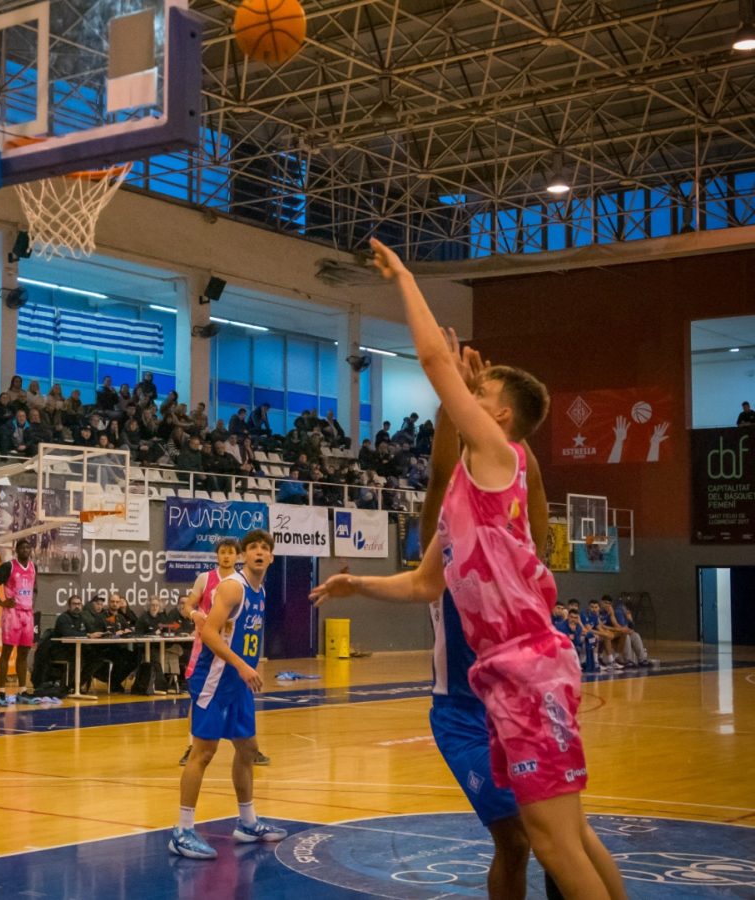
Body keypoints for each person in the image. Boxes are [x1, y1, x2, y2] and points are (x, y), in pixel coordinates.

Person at [311, 238, 624, 899]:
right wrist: (356, 582)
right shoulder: (464, 501)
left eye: (476, 391)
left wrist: (401, 276)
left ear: (499, 417)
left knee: (558, 844)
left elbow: (431, 360)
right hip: (512, 674)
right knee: (567, 837)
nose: (463, 391)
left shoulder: (503, 457)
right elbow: (426, 582)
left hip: (527, 668)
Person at [170, 529, 284, 860]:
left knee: (247, 749)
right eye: (253, 548)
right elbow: (207, 633)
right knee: (203, 752)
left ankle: (247, 822)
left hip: (238, 683)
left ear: (271, 557)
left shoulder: (260, 590)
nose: (260, 552)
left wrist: (249, 666)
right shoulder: (234, 587)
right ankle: (182, 830)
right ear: (243, 556)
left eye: (265, 548)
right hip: (215, 680)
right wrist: (241, 665)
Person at [178, 539, 270, 767]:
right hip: (209, 644)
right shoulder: (206, 579)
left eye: (231, 553)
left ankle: (250, 748)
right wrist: (193, 615)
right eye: (223, 553)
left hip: (233, 647)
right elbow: (188, 606)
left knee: (240, 697)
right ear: (217, 555)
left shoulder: (246, 583)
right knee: (201, 696)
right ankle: (194, 744)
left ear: (238, 556)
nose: (227, 557)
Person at [0, 538, 38, 707]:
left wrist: (31, 602)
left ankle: (22, 691)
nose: (25, 550)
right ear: (16, 550)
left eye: (28, 547)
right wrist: (1, 602)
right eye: (22, 547)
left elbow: (35, 588)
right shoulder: (9, 567)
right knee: (6, 653)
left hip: (27, 614)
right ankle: (1, 692)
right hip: (12, 614)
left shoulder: (33, 567)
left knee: (24, 654)